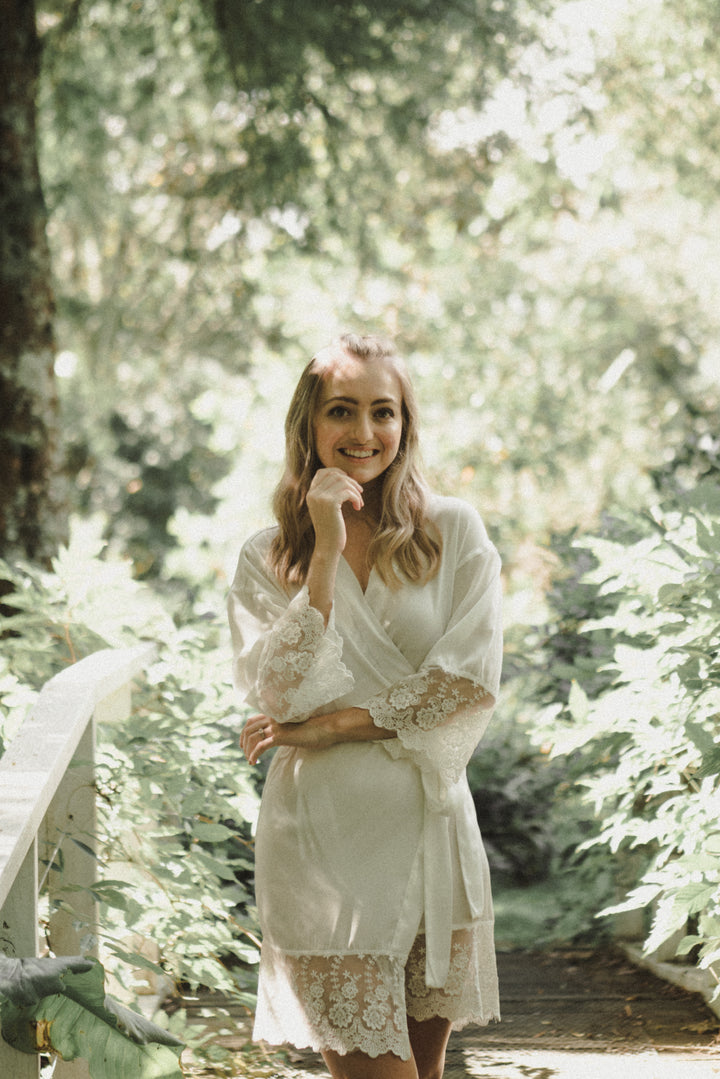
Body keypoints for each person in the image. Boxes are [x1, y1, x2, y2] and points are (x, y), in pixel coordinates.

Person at [229, 332, 503, 1079]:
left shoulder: (455, 533)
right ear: (308, 425)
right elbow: (280, 692)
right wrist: (322, 548)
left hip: (433, 835)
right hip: (324, 844)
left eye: (383, 412)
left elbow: (467, 681)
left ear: (406, 426)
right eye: (341, 411)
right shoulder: (266, 556)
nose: (363, 433)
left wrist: (328, 726)